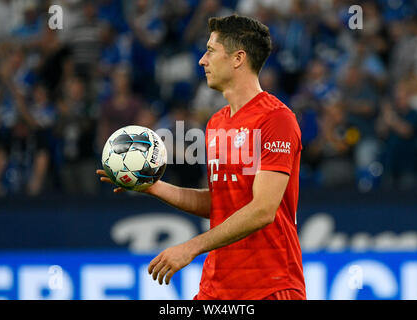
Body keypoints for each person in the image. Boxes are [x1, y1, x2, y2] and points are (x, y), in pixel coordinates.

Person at [97, 14, 306, 300]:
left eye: (210, 50)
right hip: (217, 288)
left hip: (270, 286)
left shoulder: (276, 119)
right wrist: (154, 187)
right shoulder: (216, 123)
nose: (202, 60)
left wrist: (190, 247)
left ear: (238, 59)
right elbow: (222, 203)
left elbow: (262, 209)